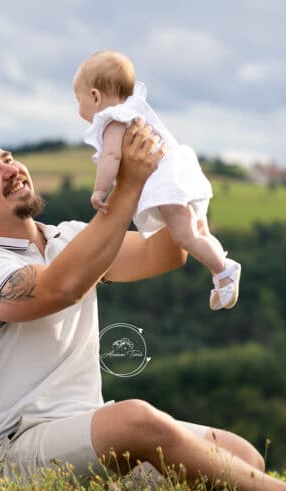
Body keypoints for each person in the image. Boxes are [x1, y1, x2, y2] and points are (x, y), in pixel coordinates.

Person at [0, 122, 286, 491]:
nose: (12, 169)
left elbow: (163, 253)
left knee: (244, 457)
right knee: (137, 418)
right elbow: (60, 288)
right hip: (13, 453)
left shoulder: (69, 237)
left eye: (8, 159)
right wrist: (127, 185)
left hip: (85, 433)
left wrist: (168, 176)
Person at [75, 50, 240, 310]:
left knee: (185, 237)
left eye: (79, 100)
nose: (79, 109)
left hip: (167, 184)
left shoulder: (113, 120)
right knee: (201, 231)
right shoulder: (135, 107)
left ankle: (222, 270)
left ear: (94, 96)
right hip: (182, 169)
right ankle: (222, 273)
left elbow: (111, 156)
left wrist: (99, 190)